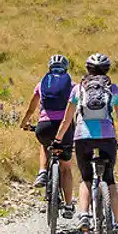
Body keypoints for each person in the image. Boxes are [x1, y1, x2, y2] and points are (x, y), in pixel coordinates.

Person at [53, 52, 118, 234]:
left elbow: (67, 120)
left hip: (82, 136)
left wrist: (58, 140)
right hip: (107, 137)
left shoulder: (78, 89)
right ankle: (114, 221)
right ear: (107, 70)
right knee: (109, 178)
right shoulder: (113, 89)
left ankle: (84, 215)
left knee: (86, 178)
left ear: (87, 69)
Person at [18, 54, 75, 217]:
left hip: (44, 126)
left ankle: (42, 171)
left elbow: (31, 109)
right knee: (66, 167)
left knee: (44, 144)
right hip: (64, 128)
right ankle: (69, 205)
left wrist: (24, 123)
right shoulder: (72, 85)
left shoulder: (41, 84)